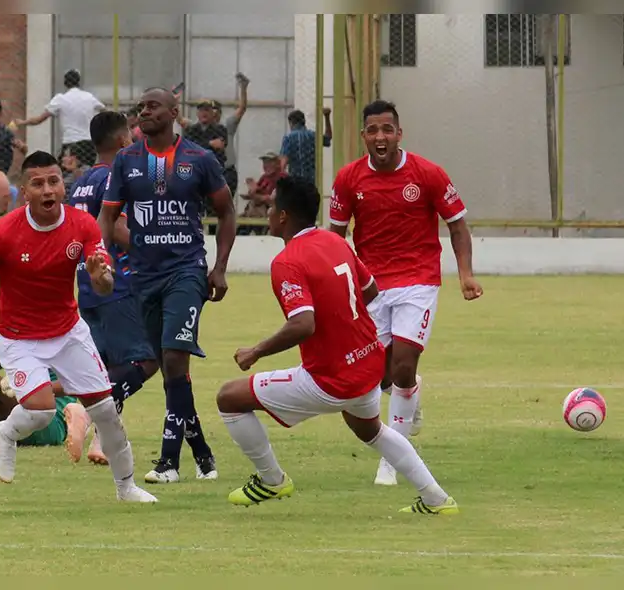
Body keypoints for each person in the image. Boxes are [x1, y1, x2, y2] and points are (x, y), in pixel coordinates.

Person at [0, 150, 157, 503]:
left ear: (63, 185)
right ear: (23, 192)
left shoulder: (83, 225)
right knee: (42, 409)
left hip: (69, 333)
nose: (48, 190)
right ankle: (6, 432)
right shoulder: (2, 233)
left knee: (105, 410)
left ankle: (126, 488)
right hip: (19, 340)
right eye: (38, 183)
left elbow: (105, 282)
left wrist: (99, 276)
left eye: (54, 181)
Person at [216, 177, 459, 515]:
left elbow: (303, 324)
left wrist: (255, 351)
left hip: (329, 379)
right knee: (372, 431)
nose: (268, 212)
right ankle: (436, 499)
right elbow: (371, 290)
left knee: (228, 398)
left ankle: (272, 480)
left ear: (283, 216)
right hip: (368, 364)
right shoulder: (334, 240)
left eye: (271, 207)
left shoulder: (287, 262)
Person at [328, 100, 483, 486]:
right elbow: (334, 238)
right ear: (364, 136)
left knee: (402, 365)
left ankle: (392, 459)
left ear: (399, 133)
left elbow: (457, 226)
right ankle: (411, 396)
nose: (380, 137)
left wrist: (465, 275)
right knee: (375, 375)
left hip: (418, 281)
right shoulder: (349, 179)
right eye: (373, 130)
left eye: (387, 130)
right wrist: (336, 285)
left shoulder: (427, 173)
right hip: (371, 288)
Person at [98, 87, 236, 485]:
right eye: (140, 107)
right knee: (170, 368)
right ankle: (204, 455)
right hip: (143, 275)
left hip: (186, 271)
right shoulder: (126, 161)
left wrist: (220, 267)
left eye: (153, 106)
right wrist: (102, 257)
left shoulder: (200, 159)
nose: (144, 112)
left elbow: (226, 212)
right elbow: (108, 218)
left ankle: (167, 463)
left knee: (174, 359)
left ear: (174, 113)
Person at [67, 111, 160, 458]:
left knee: (106, 368)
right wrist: (159, 253)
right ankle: (85, 412)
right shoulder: (114, 178)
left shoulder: (81, 182)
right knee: (148, 359)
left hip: (87, 284)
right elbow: (119, 231)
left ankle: (101, 441)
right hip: (116, 284)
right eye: (132, 137)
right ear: (123, 141)